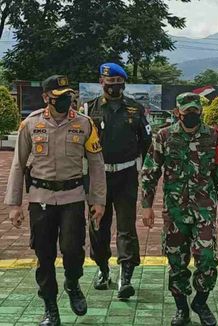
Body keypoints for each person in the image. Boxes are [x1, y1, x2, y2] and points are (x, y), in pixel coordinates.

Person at [5, 75, 106, 326]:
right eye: (59, 98)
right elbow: (18, 164)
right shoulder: (30, 124)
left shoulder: (84, 124)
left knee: (73, 250)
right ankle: (50, 306)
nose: (66, 102)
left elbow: (96, 164)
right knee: (44, 254)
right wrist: (14, 204)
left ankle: (72, 283)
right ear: (46, 98)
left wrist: (98, 200)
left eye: (68, 96)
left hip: (72, 196)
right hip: (40, 198)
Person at [140, 92, 218, 326]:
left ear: (200, 111)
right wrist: (146, 206)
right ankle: (182, 308)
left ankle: (200, 301)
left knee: (207, 259)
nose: (191, 114)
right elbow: (150, 172)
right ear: (178, 111)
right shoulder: (164, 136)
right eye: (186, 111)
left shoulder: (213, 135)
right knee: (176, 262)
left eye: (195, 110)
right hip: (176, 211)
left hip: (205, 209)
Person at [83, 63, 152, 299]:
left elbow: (146, 142)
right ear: (101, 83)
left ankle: (126, 276)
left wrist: (144, 173)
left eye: (118, 83)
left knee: (126, 227)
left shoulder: (135, 109)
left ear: (124, 84)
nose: (113, 87)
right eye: (109, 83)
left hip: (126, 176)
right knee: (98, 227)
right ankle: (103, 268)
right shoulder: (89, 109)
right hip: (97, 178)